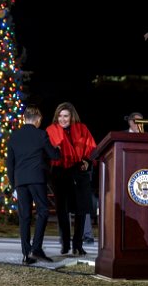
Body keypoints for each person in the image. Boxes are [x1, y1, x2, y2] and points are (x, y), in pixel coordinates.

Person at [6, 105, 60, 265]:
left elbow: (10, 164)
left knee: (24, 217)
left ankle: (26, 254)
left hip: (20, 181)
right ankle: (36, 248)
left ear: (24, 118)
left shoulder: (14, 136)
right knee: (43, 211)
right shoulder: (41, 134)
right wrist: (57, 148)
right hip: (36, 179)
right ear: (37, 119)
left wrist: (14, 183)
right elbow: (54, 155)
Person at [46, 102, 97, 256]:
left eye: (66, 116)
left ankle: (78, 245)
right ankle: (66, 244)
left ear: (71, 116)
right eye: (60, 116)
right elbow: (47, 151)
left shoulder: (82, 129)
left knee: (81, 210)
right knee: (62, 210)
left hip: (79, 171)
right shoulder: (51, 130)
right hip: (60, 172)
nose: (62, 119)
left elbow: (91, 148)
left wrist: (87, 162)